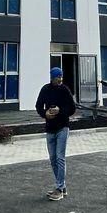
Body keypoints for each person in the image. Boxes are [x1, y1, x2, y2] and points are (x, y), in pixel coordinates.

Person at [35, 66, 76, 201]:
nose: (60, 79)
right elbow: (38, 106)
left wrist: (60, 111)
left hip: (62, 127)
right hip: (50, 128)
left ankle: (59, 189)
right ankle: (62, 186)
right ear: (52, 77)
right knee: (53, 159)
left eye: (61, 76)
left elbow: (72, 108)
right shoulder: (45, 89)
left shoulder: (65, 90)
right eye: (58, 76)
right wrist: (45, 114)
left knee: (60, 157)